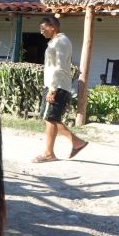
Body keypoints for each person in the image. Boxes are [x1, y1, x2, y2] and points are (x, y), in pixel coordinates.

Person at [33, 16, 88, 163]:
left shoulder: (61, 41)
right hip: (55, 85)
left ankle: (50, 153)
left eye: (43, 28)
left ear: (53, 27)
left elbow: (60, 67)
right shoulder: (55, 42)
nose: (41, 32)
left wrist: (52, 88)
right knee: (51, 118)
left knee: (50, 118)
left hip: (57, 86)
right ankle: (76, 143)